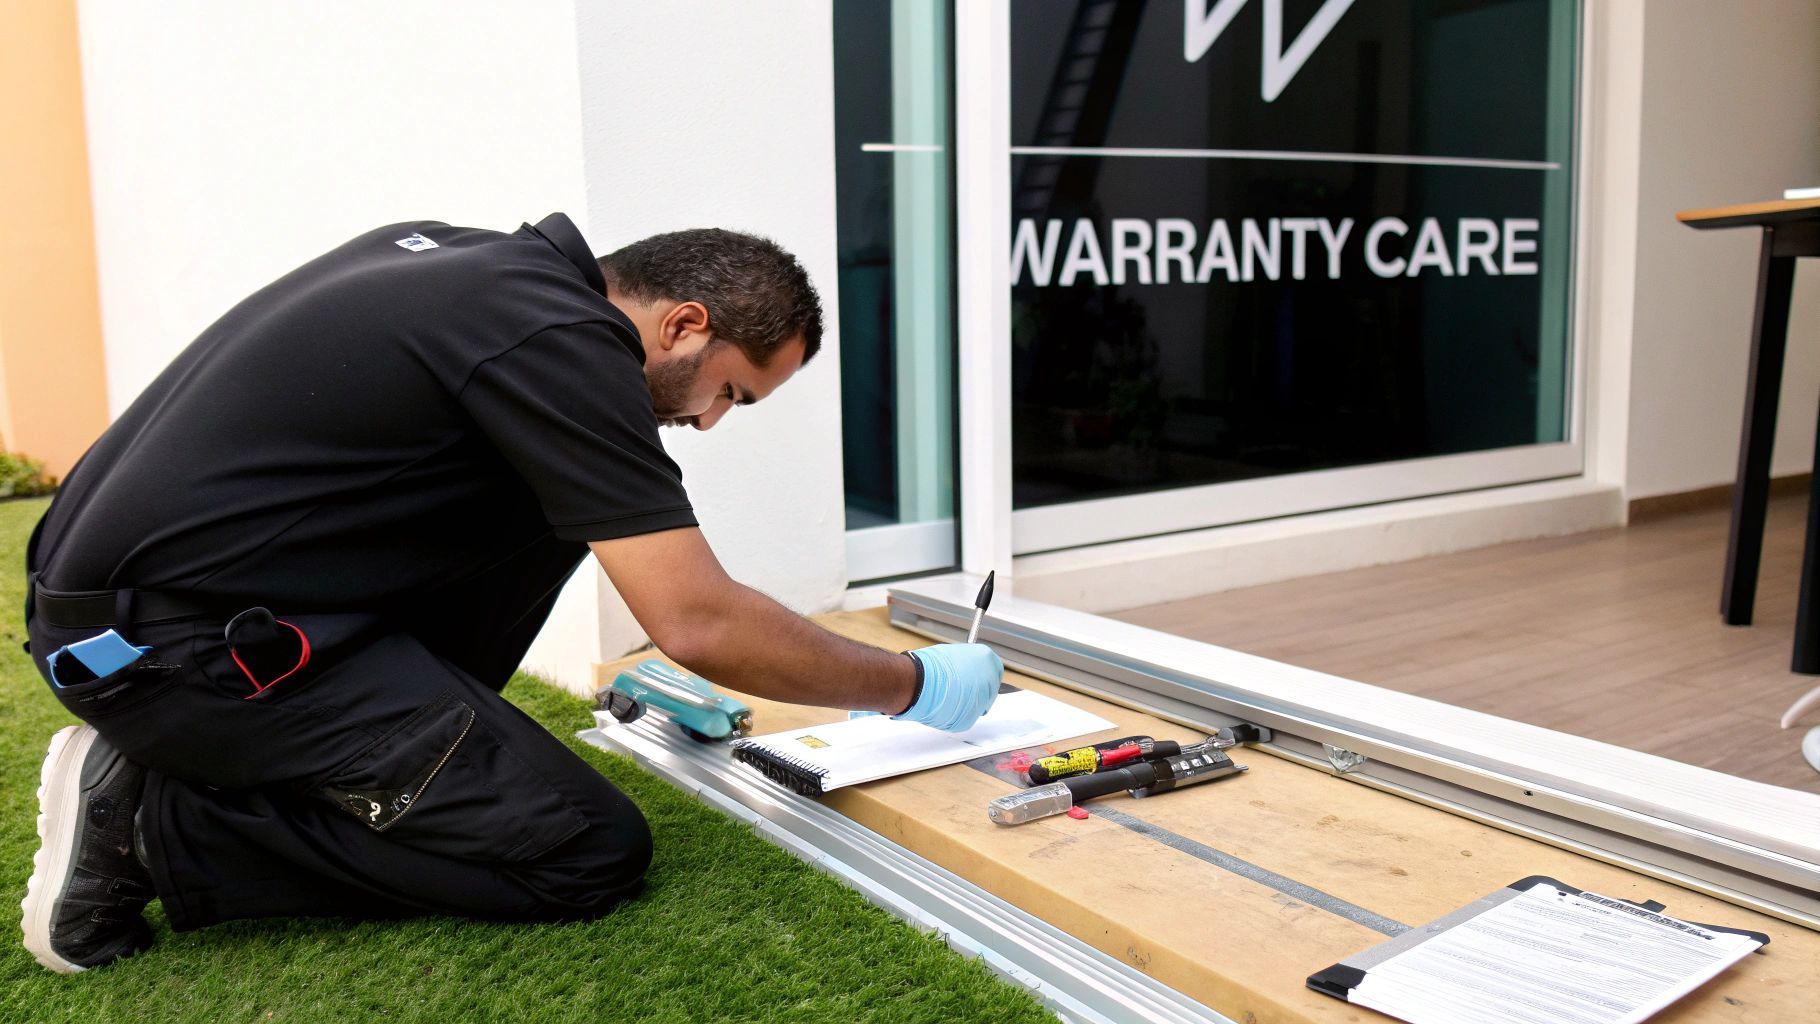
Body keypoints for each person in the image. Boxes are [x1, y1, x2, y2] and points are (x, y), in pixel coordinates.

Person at [19, 213, 1002, 974]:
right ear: (684, 324)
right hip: (181, 652)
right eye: (731, 393)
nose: (710, 423)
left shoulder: (474, 266)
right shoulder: (557, 342)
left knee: (560, 501)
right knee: (583, 850)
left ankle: (245, 761)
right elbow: (695, 622)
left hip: (151, 613)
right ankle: (155, 826)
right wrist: (907, 684)